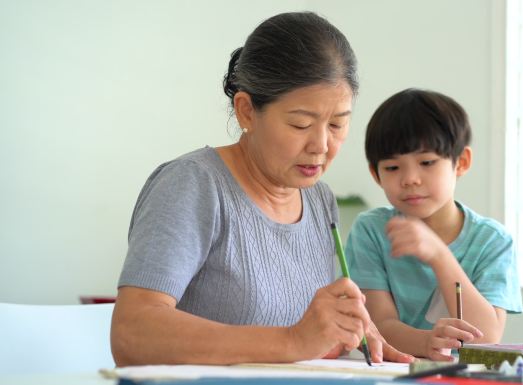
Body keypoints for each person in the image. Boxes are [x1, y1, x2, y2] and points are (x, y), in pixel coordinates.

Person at [111, 11, 414, 366]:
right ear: (246, 112)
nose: (321, 145)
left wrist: (346, 333)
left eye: (337, 124)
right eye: (300, 124)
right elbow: (132, 333)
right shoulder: (193, 185)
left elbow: (308, 340)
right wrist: (292, 341)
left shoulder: (319, 200)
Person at [346, 88, 523, 362]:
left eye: (427, 162)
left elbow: (487, 339)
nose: (410, 179)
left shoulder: (492, 240)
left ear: (461, 162)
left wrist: (439, 255)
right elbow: (379, 324)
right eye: (393, 168)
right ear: (375, 174)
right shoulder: (371, 230)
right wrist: (426, 341)